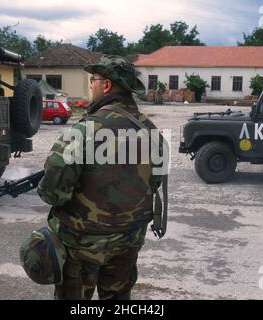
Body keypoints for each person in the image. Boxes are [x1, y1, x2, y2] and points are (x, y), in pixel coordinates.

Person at [37, 55, 167, 300]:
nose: (91, 86)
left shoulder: (84, 131)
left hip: (81, 246)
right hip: (128, 242)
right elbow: (155, 182)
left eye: (93, 81)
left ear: (106, 85)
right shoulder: (152, 131)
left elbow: (51, 192)